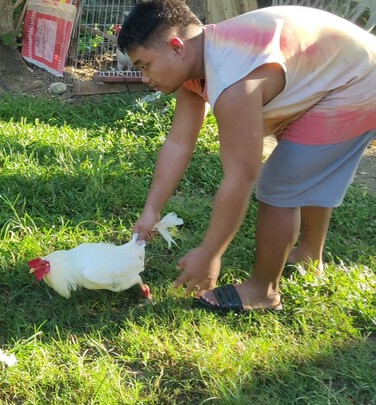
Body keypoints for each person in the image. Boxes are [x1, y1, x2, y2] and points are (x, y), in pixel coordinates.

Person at [120, 0, 376, 312]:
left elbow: (241, 176)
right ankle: (310, 254)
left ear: (176, 47)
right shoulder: (196, 61)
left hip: (357, 82)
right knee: (302, 169)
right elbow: (178, 144)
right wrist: (151, 211)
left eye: (145, 65)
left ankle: (262, 291)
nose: (145, 78)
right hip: (330, 72)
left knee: (280, 184)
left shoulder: (232, 80)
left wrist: (211, 253)